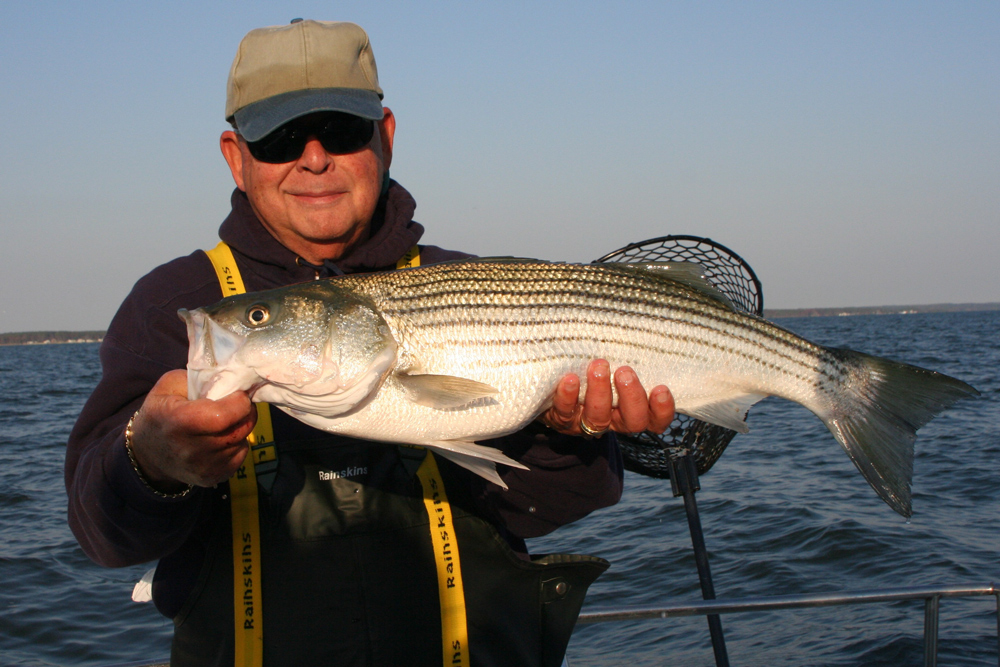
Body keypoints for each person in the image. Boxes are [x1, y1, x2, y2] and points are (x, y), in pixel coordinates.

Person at [66, 19, 675, 667]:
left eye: (344, 130)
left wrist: (562, 429)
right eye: (279, 137)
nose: (314, 157)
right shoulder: (176, 307)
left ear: (385, 137)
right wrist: (149, 462)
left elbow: (554, 502)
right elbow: (100, 535)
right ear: (234, 155)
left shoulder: (470, 287)